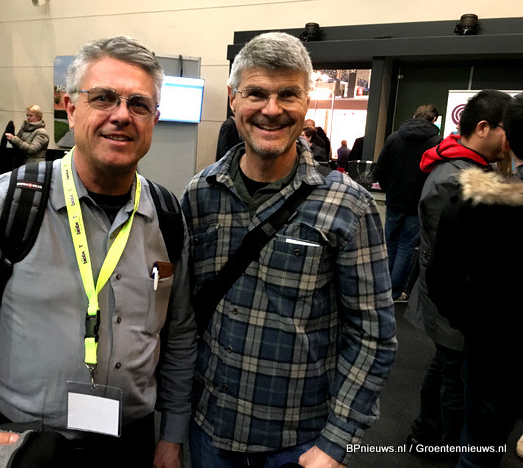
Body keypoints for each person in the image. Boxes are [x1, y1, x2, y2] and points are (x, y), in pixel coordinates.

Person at [0, 37, 197, 468]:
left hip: (132, 441)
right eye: (103, 98)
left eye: (138, 104)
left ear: (155, 118)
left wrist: (172, 436)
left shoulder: (167, 214)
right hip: (26, 442)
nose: (121, 115)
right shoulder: (9, 201)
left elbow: (180, 333)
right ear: (70, 109)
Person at [181, 31, 397, 468]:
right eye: (256, 93)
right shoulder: (201, 192)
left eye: (288, 94)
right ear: (233, 100)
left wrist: (336, 443)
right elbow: (182, 317)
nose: (272, 109)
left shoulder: (348, 205)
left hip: (299, 443)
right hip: (209, 431)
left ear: (306, 102)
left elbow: (372, 334)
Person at [404, 89, 512, 462]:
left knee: (445, 367)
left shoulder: (463, 165)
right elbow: (448, 261)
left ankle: (425, 431)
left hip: (451, 301)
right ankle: (452, 448)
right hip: (453, 302)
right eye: (506, 130)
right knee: (454, 379)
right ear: (483, 128)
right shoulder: (455, 177)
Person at [374, 104, 442, 300]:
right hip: (418, 202)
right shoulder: (437, 142)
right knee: (406, 247)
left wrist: (389, 189)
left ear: (415, 115)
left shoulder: (394, 137)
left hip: (395, 199)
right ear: (434, 120)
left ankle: (383, 287)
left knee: (389, 244)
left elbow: (380, 169)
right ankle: (395, 292)